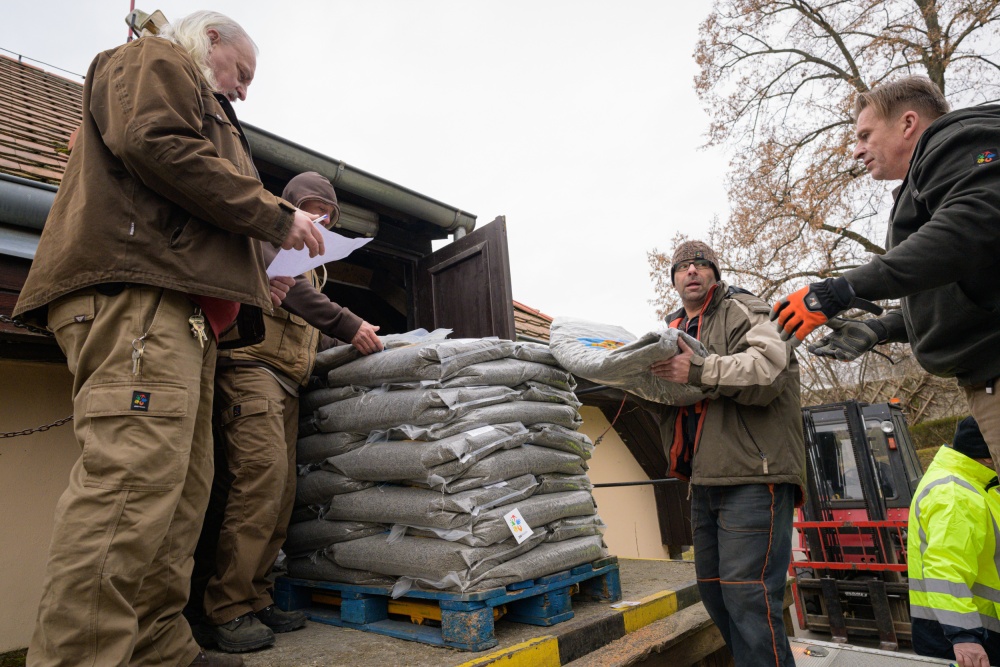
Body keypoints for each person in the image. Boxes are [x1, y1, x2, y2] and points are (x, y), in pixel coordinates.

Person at [12, 12, 327, 667]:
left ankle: (159, 647)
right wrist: (274, 215)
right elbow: (155, 140)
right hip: (138, 298)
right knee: (129, 488)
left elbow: (193, 188)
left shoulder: (199, 93)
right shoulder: (156, 59)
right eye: (242, 73)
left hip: (182, 316)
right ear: (210, 38)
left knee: (180, 495)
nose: (243, 91)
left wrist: (252, 270)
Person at [770, 76, 1000, 474]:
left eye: (865, 135)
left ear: (908, 123)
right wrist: (884, 328)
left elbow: (970, 227)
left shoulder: (956, 142)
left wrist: (843, 288)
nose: (857, 151)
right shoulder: (937, 173)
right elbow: (960, 282)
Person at [194, 172, 383, 653]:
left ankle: (255, 597)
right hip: (250, 369)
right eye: (314, 207)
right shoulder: (268, 228)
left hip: (286, 381)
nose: (321, 218)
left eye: (330, 214)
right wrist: (349, 323)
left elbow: (305, 328)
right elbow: (295, 297)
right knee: (257, 485)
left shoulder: (313, 264)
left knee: (280, 495)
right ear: (293, 202)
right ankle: (225, 608)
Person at [648, 241, 805, 667]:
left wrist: (698, 369)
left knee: (749, 598)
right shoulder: (672, 330)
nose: (692, 271)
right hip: (704, 480)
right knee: (717, 595)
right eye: (682, 267)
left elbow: (768, 370)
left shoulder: (744, 309)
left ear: (715, 273)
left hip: (755, 476)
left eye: (701, 264)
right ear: (674, 279)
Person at [909, 416, 1000, 667]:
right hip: (968, 635)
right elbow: (945, 568)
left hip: (971, 626)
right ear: (988, 455)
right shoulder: (955, 493)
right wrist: (964, 635)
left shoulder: (976, 484)